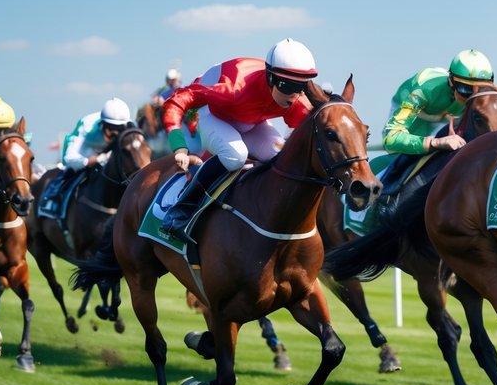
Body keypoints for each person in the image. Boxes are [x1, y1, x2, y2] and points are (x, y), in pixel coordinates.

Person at [158, 38, 318, 241]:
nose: (295, 96)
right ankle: (180, 212)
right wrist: (179, 147)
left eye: (302, 87)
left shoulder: (295, 99)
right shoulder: (234, 88)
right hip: (212, 115)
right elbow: (177, 101)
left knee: (282, 157)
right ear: (270, 78)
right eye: (288, 86)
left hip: (252, 122)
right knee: (236, 155)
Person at [378, 49, 494, 195]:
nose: (474, 97)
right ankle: (385, 198)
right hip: (417, 115)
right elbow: (390, 138)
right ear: (451, 82)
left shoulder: (470, 97)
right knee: (407, 152)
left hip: (446, 116)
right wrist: (435, 143)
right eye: (466, 89)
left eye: (482, 89)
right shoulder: (423, 90)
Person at [40, 98, 133, 214]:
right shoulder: (87, 125)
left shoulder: (131, 126)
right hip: (84, 151)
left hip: (109, 155)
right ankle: (55, 203)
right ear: (102, 123)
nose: (114, 133)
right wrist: (92, 161)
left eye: (119, 129)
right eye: (110, 128)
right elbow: (69, 158)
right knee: (72, 170)